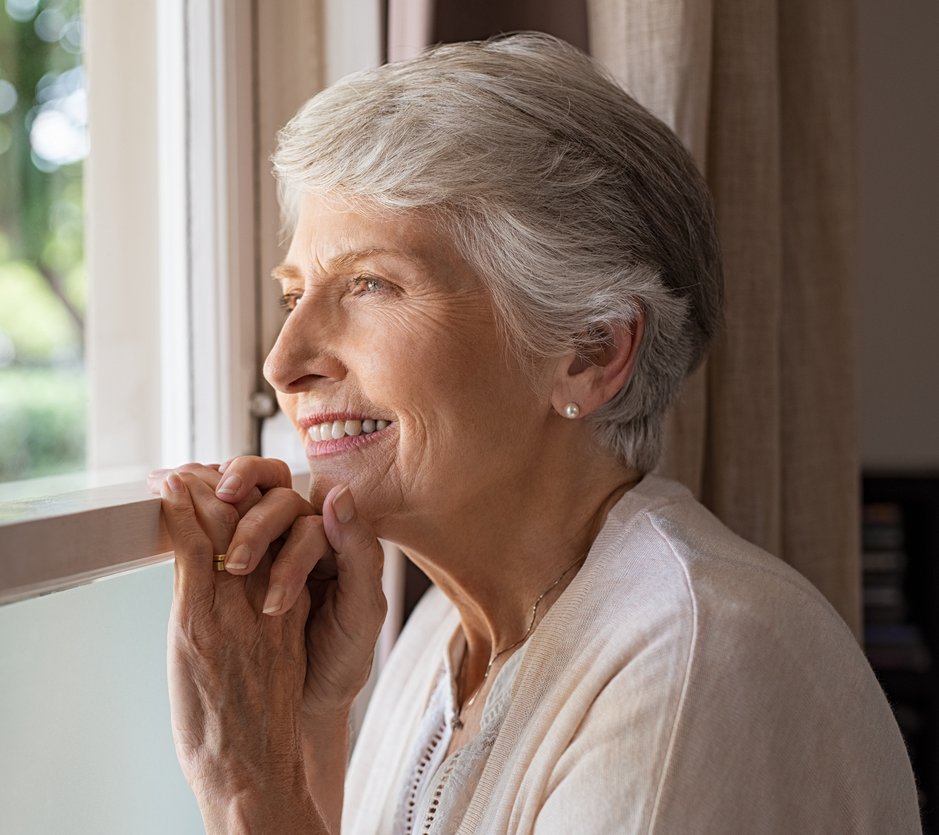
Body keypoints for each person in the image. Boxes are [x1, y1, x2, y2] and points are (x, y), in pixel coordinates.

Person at [148, 33, 920, 834]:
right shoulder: (439, 638)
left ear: (590, 352)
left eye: (370, 285)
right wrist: (309, 716)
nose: (284, 362)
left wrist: (244, 781)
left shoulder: (698, 656)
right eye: (294, 293)